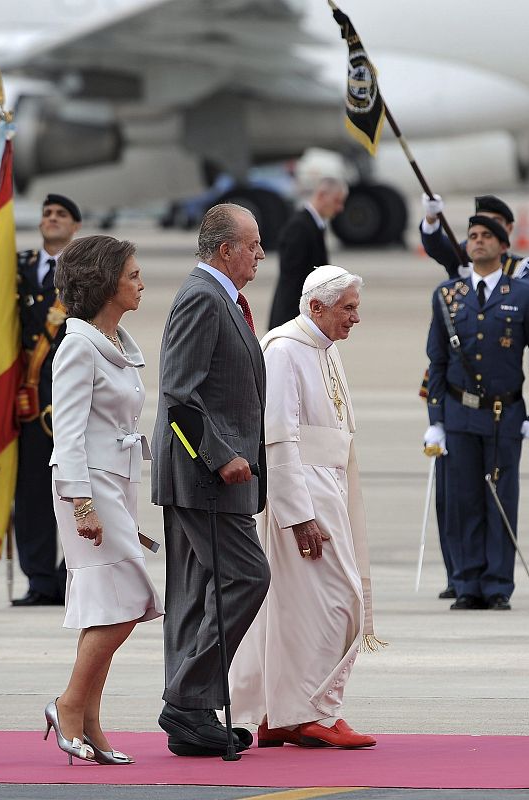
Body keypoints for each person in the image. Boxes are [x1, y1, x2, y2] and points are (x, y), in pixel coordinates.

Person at [229, 264, 380, 749]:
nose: (356, 318)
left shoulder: (322, 348)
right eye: (348, 308)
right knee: (338, 601)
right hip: (304, 494)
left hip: (329, 484)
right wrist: (298, 515)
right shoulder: (284, 350)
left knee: (301, 607)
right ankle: (313, 710)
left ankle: (282, 714)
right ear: (316, 307)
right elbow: (278, 439)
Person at [151, 203, 271, 756]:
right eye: (253, 244)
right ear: (226, 250)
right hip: (204, 476)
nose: (260, 253)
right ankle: (187, 699)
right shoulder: (203, 297)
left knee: (197, 595)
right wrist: (219, 455)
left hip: (207, 477)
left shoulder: (221, 297)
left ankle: (192, 715)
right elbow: (180, 393)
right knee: (247, 576)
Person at [45, 235, 163, 765]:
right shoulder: (76, 347)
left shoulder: (112, 343)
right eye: (133, 274)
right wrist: (84, 504)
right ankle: (69, 705)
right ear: (105, 281)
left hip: (114, 484)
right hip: (86, 487)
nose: (141, 283)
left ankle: (90, 721)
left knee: (106, 606)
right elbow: (66, 435)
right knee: (129, 601)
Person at [425, 215, 529, 611]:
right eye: (473, 237)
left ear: (503, 246)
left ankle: (497, 584)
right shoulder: (448, 294)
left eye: (487, 237)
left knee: (500, 499)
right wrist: (436, 422)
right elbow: (437, 359)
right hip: (460, 414)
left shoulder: (525, 294)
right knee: (464, 500)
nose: (478, 242)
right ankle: (466, 583)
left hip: (505, 415)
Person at [12, 194, 82, 606]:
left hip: (71, 392)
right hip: (30, 395)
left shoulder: (86, 270)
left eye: (61, 215)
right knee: (33, 491)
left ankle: (70, 577)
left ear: (75, 226)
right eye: (47, 214)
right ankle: (39, 580)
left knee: (77, 486)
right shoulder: (19, 268)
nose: (51, 219)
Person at [268, 177, 348, 329]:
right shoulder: (299, 227)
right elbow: (294, 280)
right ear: (322, 195)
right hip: (292, 319)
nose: (340, 208)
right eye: (337, 201)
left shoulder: (313, 225)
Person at [420, 193, 529, 288]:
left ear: (509, 228)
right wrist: (432, 217)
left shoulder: (521, 268)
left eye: (495, 222)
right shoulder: (461, 256)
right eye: (482, 222)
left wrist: (478, 279)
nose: (488, 228)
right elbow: (436, 245)